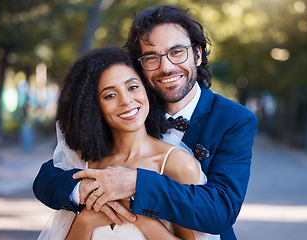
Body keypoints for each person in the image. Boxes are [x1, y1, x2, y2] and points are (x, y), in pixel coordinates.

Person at [33, 5, 258, 240]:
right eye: (152, 57)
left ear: (198, 54)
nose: (167, 67)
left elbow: (219, 211)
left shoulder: (235, 120)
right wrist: (85, 192)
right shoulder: (125, 114)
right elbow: (47, 179)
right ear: (139, 66)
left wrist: (135, 184)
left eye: (177, 51)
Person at [37, 46, 212, 240]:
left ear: (146, 90)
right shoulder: (85, 165)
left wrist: (141, 218)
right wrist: (86, 220)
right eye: (110, 95)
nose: (126, 101)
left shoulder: (177, 165)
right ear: (94, 108)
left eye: (133, 87)